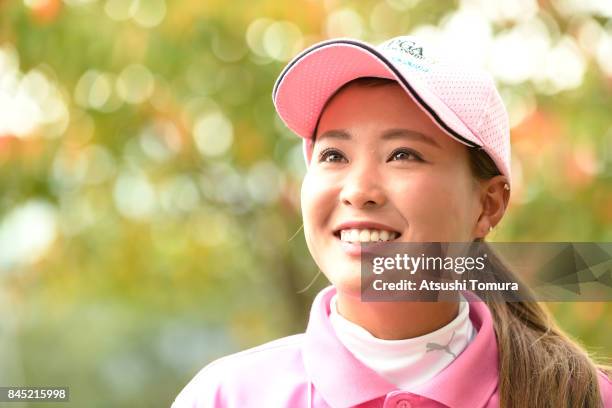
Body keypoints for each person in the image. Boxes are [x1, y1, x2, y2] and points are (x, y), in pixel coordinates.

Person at [172, 36, 612, 407]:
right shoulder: (226, 396)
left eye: (403, 154)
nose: (359, 189)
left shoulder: (586, 397)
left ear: (489, 204)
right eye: (333, 155)